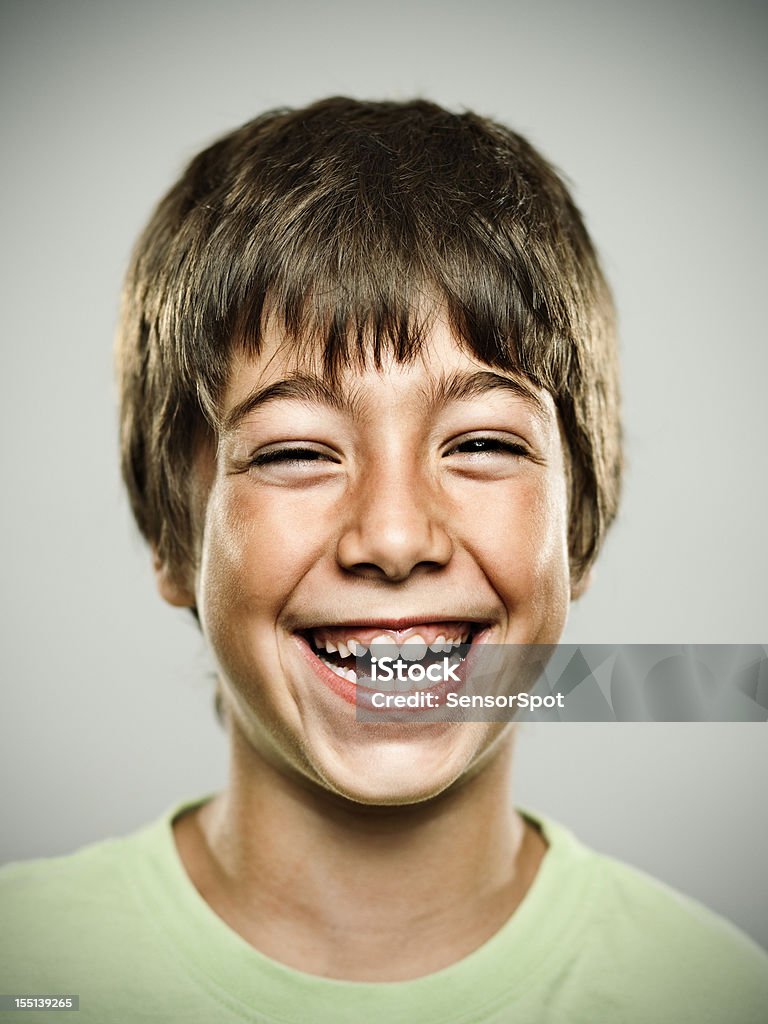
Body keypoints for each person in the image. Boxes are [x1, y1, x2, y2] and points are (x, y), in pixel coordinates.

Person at [1, 96, 766, 1024]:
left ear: (579, 528)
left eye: (482, 443)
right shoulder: (25, 963)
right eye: (293, 452)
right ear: (174, 538)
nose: (396, 541)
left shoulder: (715, 994)